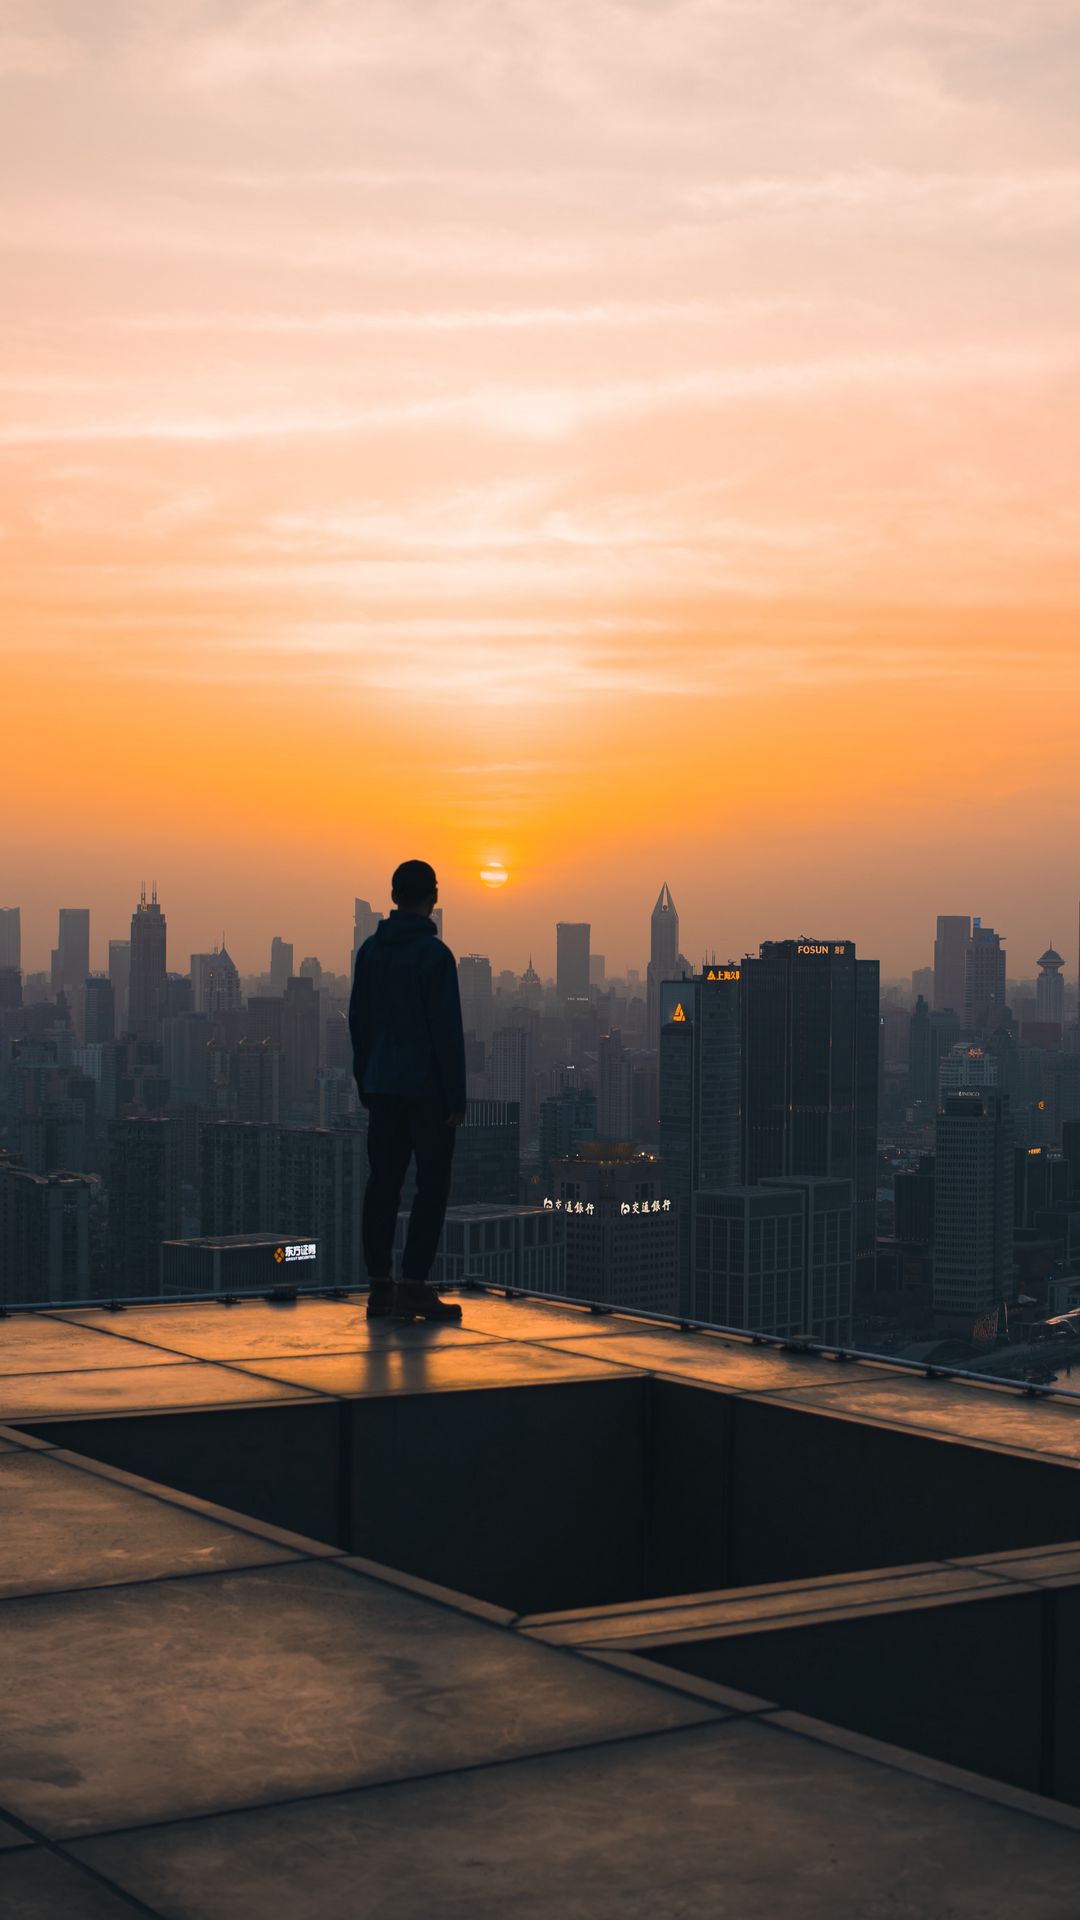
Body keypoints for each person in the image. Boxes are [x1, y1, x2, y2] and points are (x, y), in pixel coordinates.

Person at [349, 859, 467, 1323]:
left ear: (394, 895)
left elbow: (358, 1023)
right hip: (426, 1092)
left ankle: (380, 1288)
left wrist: (366, 1079)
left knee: (383, 1184)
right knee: (431, 1186)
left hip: (381, 1087)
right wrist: (455, 1098)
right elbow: (446, 1032)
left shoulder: (370, 953)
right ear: (432, 898)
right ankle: (414, 1285)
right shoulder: (435, 957)